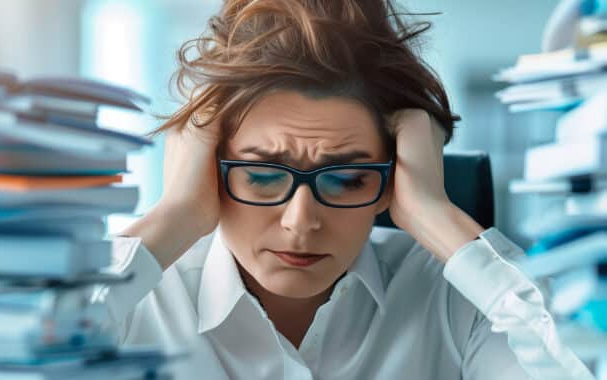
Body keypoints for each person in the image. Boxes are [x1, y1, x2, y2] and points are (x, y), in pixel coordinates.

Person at [97, 0, 595, 378]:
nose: (300, 221)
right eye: (264, 174)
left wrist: (433, 213)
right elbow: (27, 356)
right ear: (211, 169)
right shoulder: (139, 297)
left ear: (391, 180)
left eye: (347, 178)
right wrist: (175, 214)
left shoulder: (456, 298)